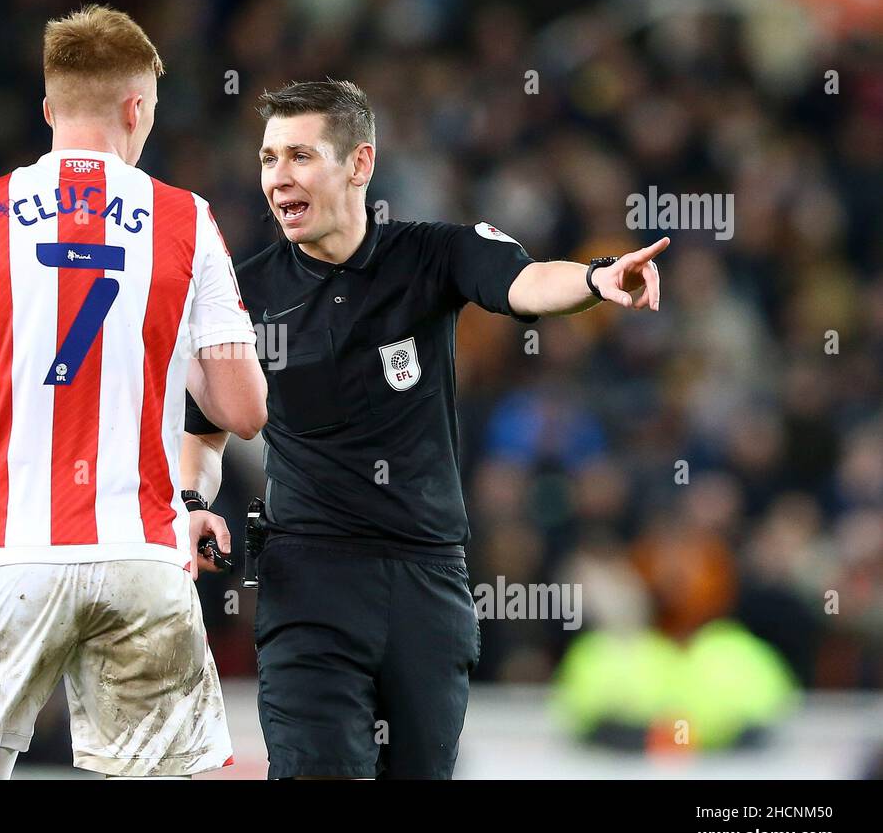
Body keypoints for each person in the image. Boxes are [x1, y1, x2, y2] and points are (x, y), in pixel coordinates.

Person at [182, 78, 668, 779]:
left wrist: (595, 279)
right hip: (308, 578)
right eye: (268, 158)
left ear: (359, 163)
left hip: (426, 581)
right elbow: (204, 429)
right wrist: (194, 502)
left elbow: (525, 283)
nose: (279, 177)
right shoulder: (240, 293)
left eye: (300, 155)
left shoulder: (433, 255)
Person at [0, 4, 267, 779]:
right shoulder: (185, 218)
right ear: (137, 108)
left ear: (48, 108)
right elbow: (243, 410)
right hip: (142, 552)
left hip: (8, 555)